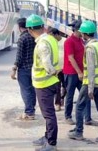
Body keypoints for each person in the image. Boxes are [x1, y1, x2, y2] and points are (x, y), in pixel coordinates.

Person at [68, 20, 98, 143]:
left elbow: (91, 69)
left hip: (93, 83)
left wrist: (90, 88)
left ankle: (78, 132)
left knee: (79, 106)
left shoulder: (90, 48)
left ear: (84, 34)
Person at [27, 14, 60, 151]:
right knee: (49, 114)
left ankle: (51, 143)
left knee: (49, 115)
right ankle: (47, 137)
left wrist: (52, 71)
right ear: (43, 26)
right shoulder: (50, 39)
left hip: (44, 85)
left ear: (29, 30)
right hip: (51, 83)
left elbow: (47, 64)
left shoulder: (42, 44)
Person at [63, 19, 94, 125]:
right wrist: (79, 72)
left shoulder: (81, 41)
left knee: (86, 94)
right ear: (78, 30)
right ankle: (68, 116)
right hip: (71, 73)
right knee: (70, 95)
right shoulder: (69, 41)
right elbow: (71, 58)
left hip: (81, 72)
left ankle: (88, 118)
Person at [11, 17, 36, 120]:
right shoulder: (33, 37)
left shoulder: (22, 38)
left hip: (24, 69)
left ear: (19, 27)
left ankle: (29, 112)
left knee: (25, 90)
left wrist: (14, 69)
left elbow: (19, 56)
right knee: (32, 89)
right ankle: (31, 110)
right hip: (34, 68)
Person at [48, 28, 65, 111]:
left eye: (52, 36)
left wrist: (63, 68)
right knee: (57, 87)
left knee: (66, 87)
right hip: (56, 69)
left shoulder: (65, 42)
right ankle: (57, 103)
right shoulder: (51, 43)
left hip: (65, 69)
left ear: (56, 34)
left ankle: (62, 98)